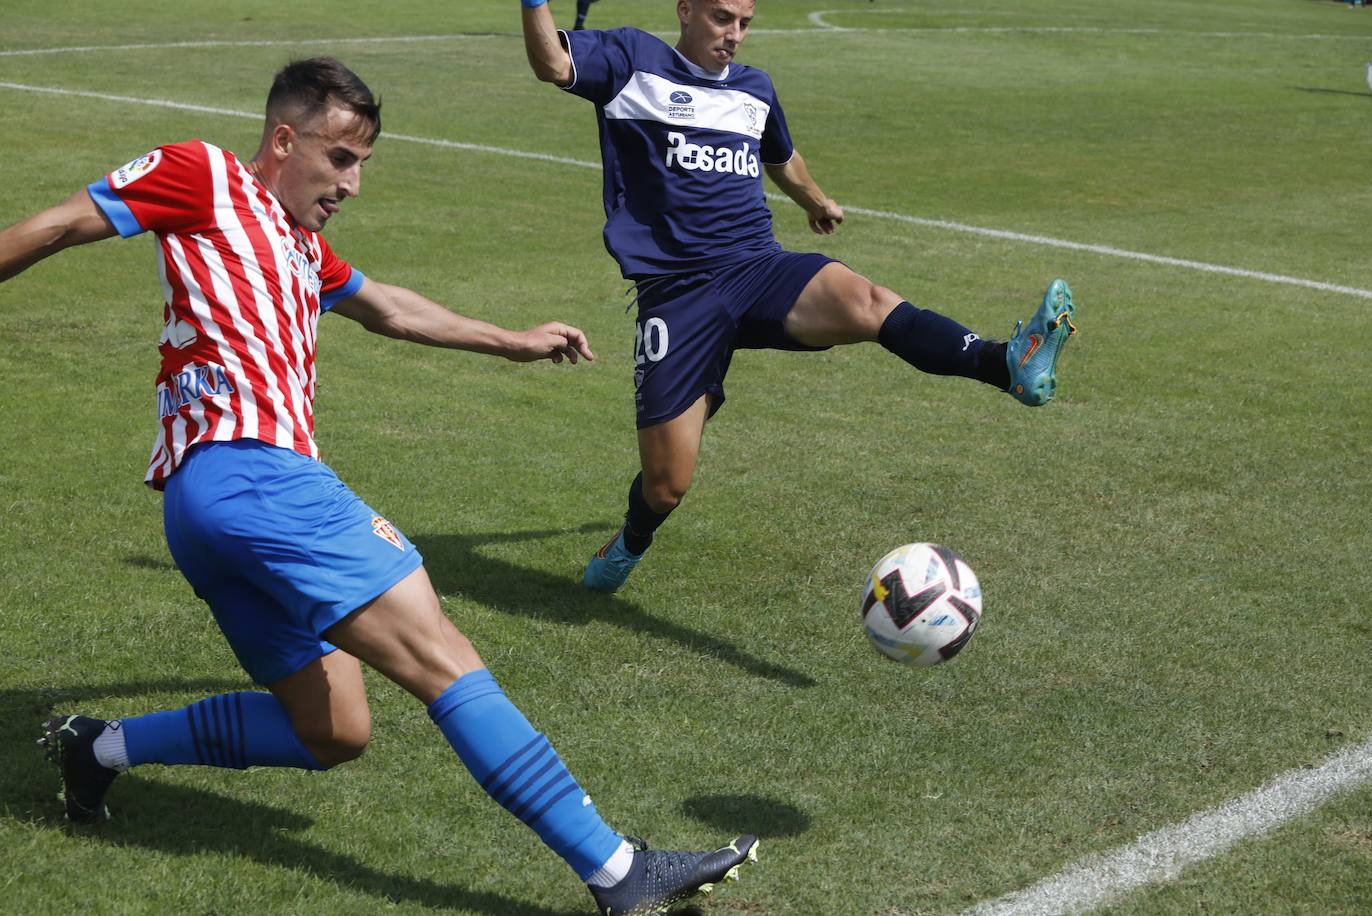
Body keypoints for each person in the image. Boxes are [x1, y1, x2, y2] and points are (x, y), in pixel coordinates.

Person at [4, 56, 756, 916]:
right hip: (257, 475)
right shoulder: (202, 173)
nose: (353, 183)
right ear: (285, 139)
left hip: (204, 510)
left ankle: (98, 750)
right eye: (341, 158)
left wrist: (510, 340)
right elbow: (63, 225)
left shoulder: (298, 248)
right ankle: (619, 872)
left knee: (334, 730)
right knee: (441, 651)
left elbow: (390, 307)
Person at [518, 0, 1079, 593]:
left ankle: (1006, 361)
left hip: (760, 268)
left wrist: (815, 200)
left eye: (744, 23)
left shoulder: (755, 89)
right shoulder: (633, 60)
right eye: (720, 18)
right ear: (684, 10)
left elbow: (779, 154)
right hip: (679, 294)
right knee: (667, 485)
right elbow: (552, 62)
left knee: (868, 301)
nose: (733, 35)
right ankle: (631, 538)